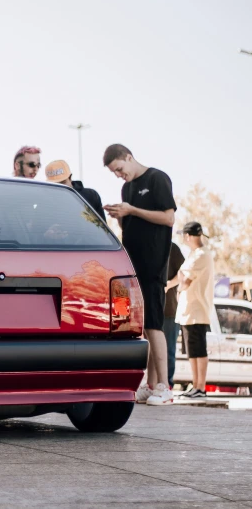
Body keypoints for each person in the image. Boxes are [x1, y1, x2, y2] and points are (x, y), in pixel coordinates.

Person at [103, 144, 176, 406]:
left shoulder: (157, 178)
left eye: (120, 169)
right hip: (132, 264)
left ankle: (165, 387)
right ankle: (151, 384)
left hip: (154, 263)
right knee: (143, 326)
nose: (119, 175)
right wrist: (120, 215)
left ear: (129, 157)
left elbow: (168, 218)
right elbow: (132, 224)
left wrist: (132, 210)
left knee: (155, 323)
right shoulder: (127, 189)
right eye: (114, 173)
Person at [175, 222, 215, 398]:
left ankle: (201, 387)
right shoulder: (195, 254)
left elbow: (185, 279)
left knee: (199, 350)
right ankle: (196, 386)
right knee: (192, 351)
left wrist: (178, 287)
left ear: (188, 236)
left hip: (196, 309)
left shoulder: (201, 255)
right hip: (188, 311)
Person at [164, 242, 185, 388]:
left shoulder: (172, 248)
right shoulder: (145, 245)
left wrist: (168, 284)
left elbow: (183, 274)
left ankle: (167, 384)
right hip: (148, 309)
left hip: (170, 310)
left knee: (169, 350)